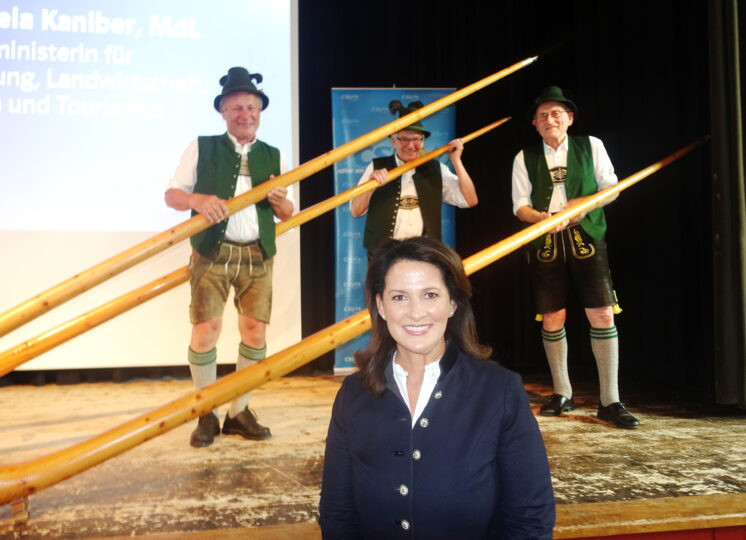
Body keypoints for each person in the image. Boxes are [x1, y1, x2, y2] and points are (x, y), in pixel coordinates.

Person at [319, 237, 555, 538]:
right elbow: (338, 512)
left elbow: (531, 518)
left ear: (452, 303)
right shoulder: (353, 393)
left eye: (430, 295)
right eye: (399, 297)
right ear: (380, 306)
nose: (416, 312)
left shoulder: (500, 391)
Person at [165, 66, 295, 447]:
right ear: (223, 111)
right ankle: (206, 412)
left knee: (255, 331)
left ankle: (239, 411)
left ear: (260, 112)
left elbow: (289, 213)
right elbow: (172, 195)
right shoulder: (201, 147)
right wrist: (197, 200)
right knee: (206, 330)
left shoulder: (274, 155)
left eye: (252, 108)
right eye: (237, 107)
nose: (245, 114)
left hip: (258, 254)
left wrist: (279, 202)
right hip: (212, 253)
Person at [511, 85, 640, 429]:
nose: (549, 120)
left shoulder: (591, 145)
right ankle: (562, 393)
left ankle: (610, 400)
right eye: (542, 115)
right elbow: (520, 205)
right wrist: (541, 218)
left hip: (587, 235)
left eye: (556, 113)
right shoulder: (524, 157)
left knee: (602, 313)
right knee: (552, 316)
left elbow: (611, 188)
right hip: (546, 240)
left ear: (569, 118)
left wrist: (582, 207)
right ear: (535, 124)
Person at [349, 100, 478, 258]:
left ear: (423, 142)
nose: (411, 146)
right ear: (393, 141)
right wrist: (370, 186)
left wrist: (456, 161)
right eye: (404, 139)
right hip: (382, 256)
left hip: (423, 255)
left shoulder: (437, 169)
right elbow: (356, 211)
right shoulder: (376, 167)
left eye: (417, 139)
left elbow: (470, 200)